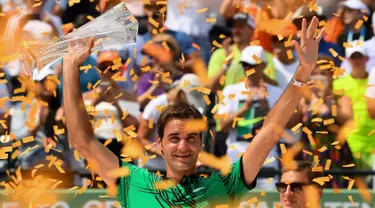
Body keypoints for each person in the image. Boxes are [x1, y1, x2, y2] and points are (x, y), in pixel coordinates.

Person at [62, 17, 324, 207]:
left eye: (190, 138)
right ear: (159, 145)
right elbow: (81, 141)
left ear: (201, 143)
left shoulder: (224, 185)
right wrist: (70, 66)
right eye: (174, 138)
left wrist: (302, 71)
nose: (182, 146)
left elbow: (268, 132)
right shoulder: (131, 181)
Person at [217, 45, 284, 189]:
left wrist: (265, 106)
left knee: (268, 200)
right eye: (245, 65)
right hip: (237, 152)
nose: (249, 69)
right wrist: (244, 109)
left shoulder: (277, 92)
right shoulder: (230, 91)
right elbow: (223, 126)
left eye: (253, 65)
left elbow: (281, 128)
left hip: (266, 155)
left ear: (264, 66)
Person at [293, 56, 354, 188]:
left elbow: (348, 120)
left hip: (336, 158)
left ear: (331, 77)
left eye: (323, 74)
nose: (318, 77)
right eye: (314, 74)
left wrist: (326, 99)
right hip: (309, 157)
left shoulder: (340, 99)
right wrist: (299, 94)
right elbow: (290, 123)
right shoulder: (304, 100)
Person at [137, 73, 206, 171]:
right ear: (181, 93)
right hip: (152, 168)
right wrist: (161, 151)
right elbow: (141, 139)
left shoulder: (189, 110)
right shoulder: (156, 106)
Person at [333, 40, 375, 175]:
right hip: (350, 144)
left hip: (373, 144)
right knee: (355, 192)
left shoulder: (373, 80)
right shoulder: (338, 84)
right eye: (353, 57)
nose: (357, 61)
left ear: (367, 58)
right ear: (347, 60)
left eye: (360, 56)